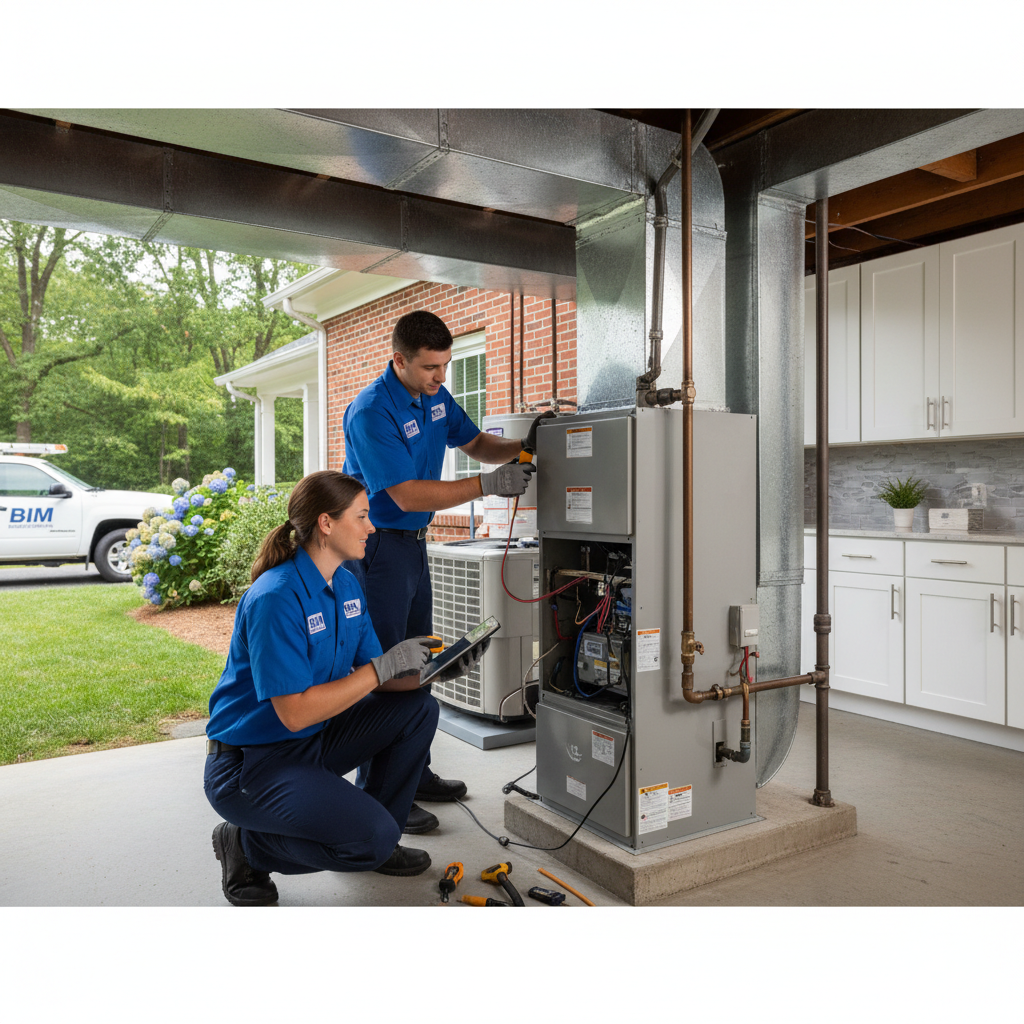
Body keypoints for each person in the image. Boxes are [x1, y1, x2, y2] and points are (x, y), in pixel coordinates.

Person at [204, 470, 483, 907]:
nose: (371, 527)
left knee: (418, 708)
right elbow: (294, 713)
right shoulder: (275, 597)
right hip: (252, 764)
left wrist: (434, 673)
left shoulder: (347, 583)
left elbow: (378, 676)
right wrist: (384, 666)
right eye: (362, 516)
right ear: (326, 523)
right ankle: (245, 844)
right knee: (368, 841)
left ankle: (379, 836)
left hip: (313, 741)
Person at [342, 309, 551, 835]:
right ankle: (380, 792)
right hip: (377, 549)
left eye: (446, 365)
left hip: (414, 546)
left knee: (421, 660)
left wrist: (528, 444)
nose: (441, 376)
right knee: (387, 668)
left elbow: (477, 443)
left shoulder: (434, 397)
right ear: (400, 360)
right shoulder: (371, 412)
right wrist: (487, 485)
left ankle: (414, 773)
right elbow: (406, 494)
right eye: (431, 367)